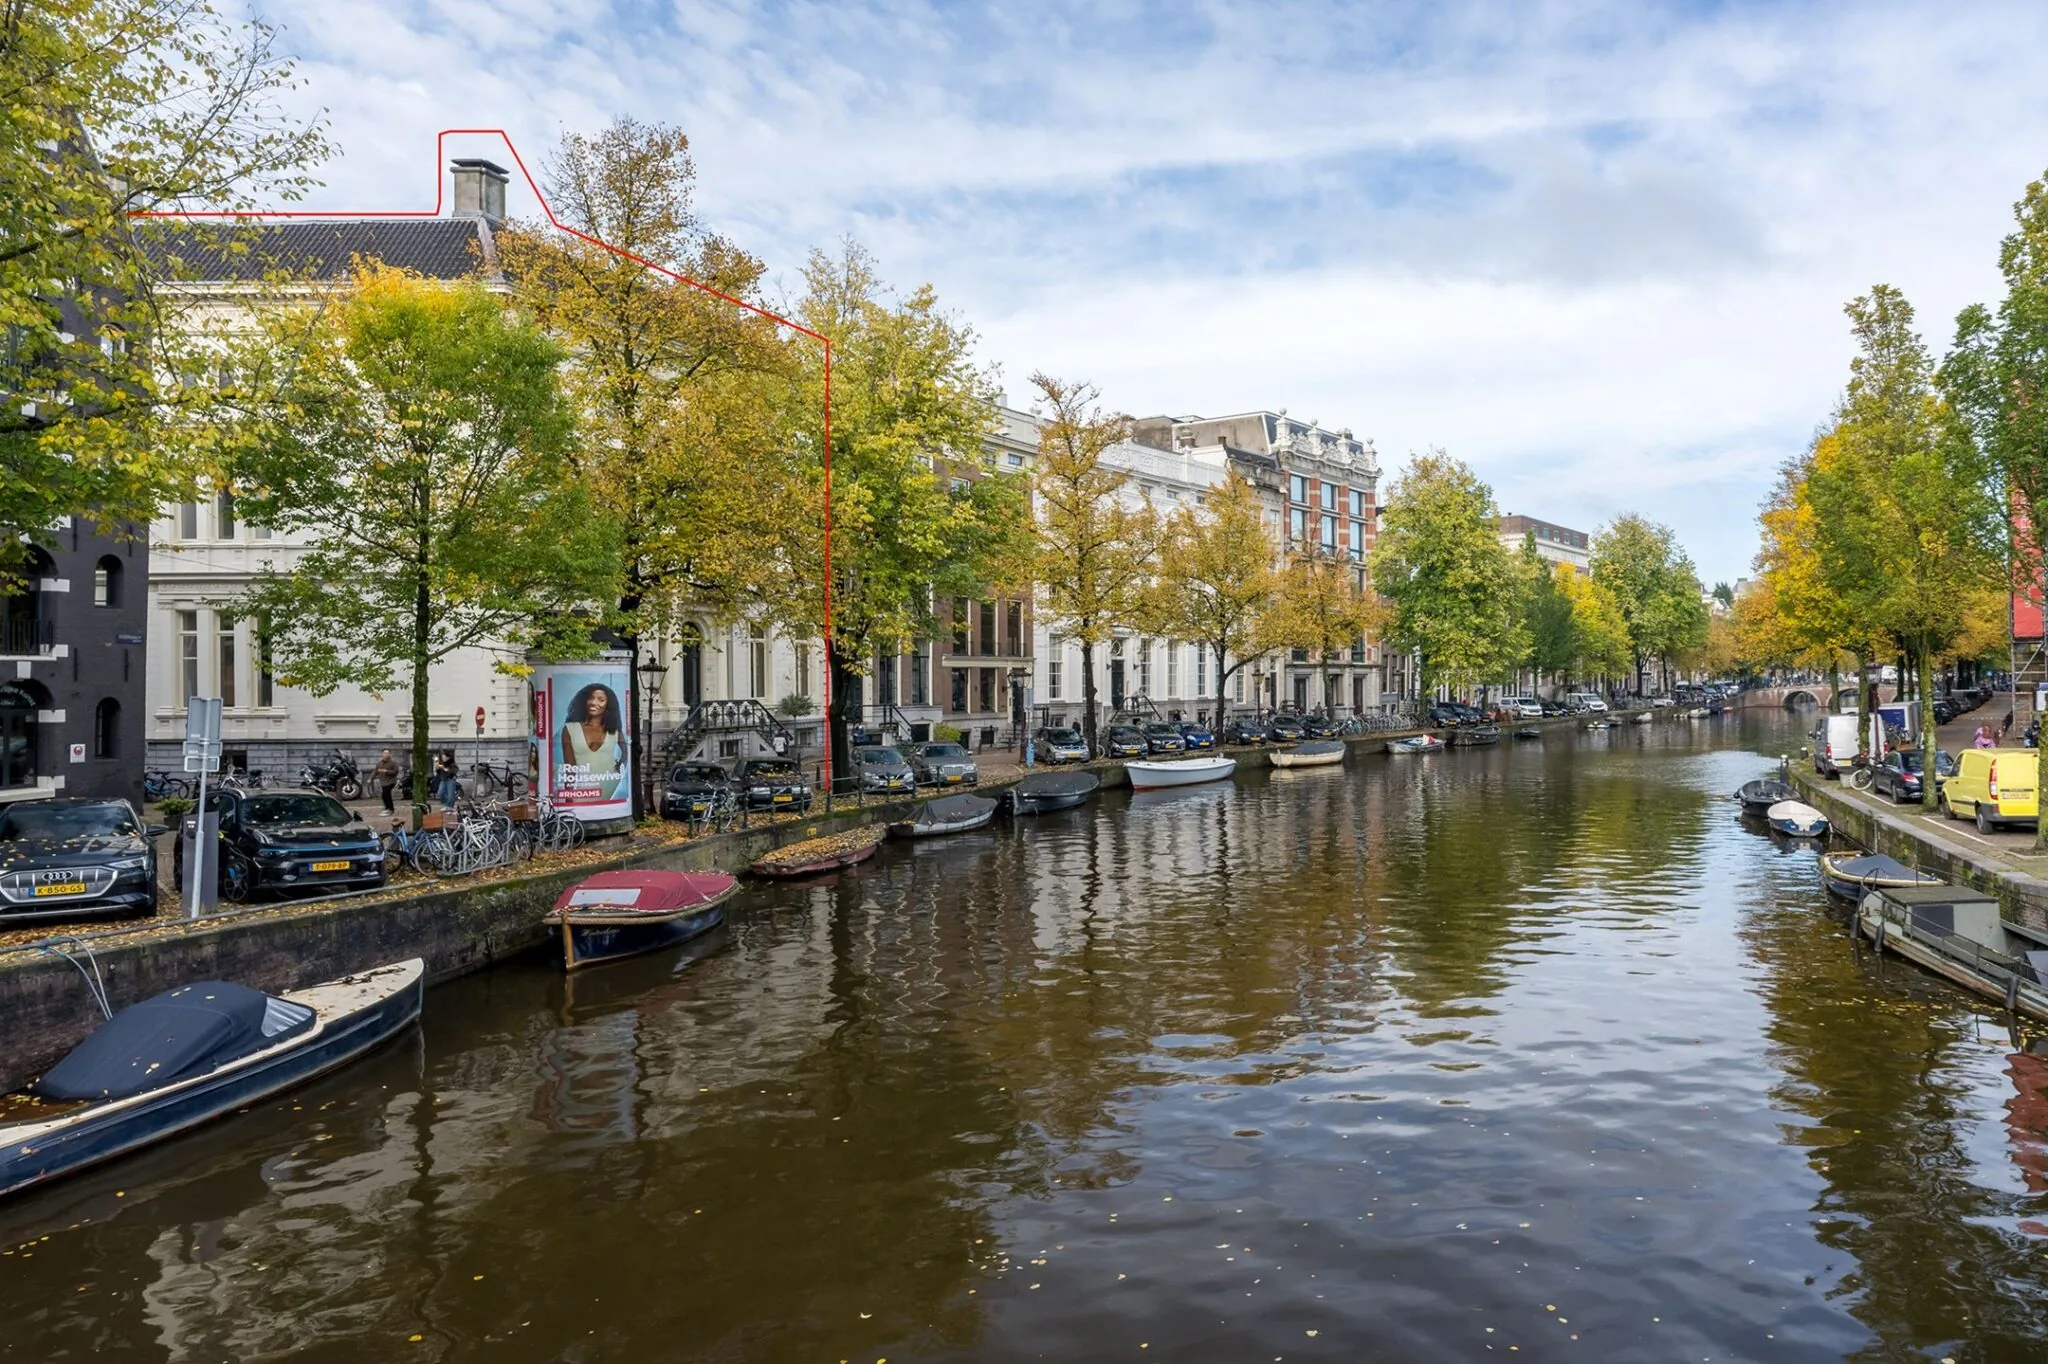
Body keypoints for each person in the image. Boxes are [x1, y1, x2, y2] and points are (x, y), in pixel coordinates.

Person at [557, 682, 626, 800]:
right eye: (591, 698)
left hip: (610, 783)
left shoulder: (614, 729)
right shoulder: (570, 729)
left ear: (608, 705)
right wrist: (568, 794)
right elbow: (570, 767)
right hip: (582, 787)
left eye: (601, 699)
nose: (594, 703)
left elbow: (626, 751)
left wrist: (621, 765)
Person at [372, 748, 399, 814]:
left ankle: (390, 809)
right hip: (383, 782)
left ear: (390, 754)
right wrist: (370, 779)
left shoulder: (394, 763)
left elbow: (395, 772)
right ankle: (387, 808)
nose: (386, 754)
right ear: (382, 754)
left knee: (387, 794)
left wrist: (386, 771)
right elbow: (375, 772)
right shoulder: (379, 763)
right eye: (384, 753)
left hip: (391, 782)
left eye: (387, 753)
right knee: (384, 795)